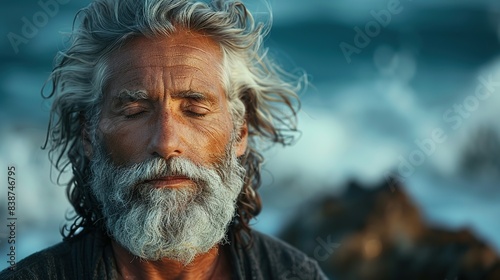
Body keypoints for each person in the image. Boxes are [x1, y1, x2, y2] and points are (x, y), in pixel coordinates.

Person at [0, 0, 327, 279]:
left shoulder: (295, 274)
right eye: (135, 110)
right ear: (89, 134)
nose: (167, 141)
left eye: (196, 109)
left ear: (240, 131)